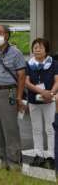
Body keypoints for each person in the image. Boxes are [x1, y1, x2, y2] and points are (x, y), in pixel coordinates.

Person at [0, 24, 26, 170]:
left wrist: (19, 98)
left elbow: (21, 76)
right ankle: (3, 159)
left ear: (7, 35)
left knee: (10, 128)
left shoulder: (16, 53)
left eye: (0, 33)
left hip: (8, 92)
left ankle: (14, 162)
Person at [25, 38, 57, 168]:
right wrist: (41, 91)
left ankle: (51, 155)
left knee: (50, 128)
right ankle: (38, 154)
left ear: (46, 50)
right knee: (36, 128)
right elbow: (26, 82)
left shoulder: (54, 63)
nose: (37, 50)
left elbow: (57, 80)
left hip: (49, 100)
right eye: (35, 47)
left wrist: (50, 93)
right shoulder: (28, 64)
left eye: (40, 47)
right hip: (34, 100)